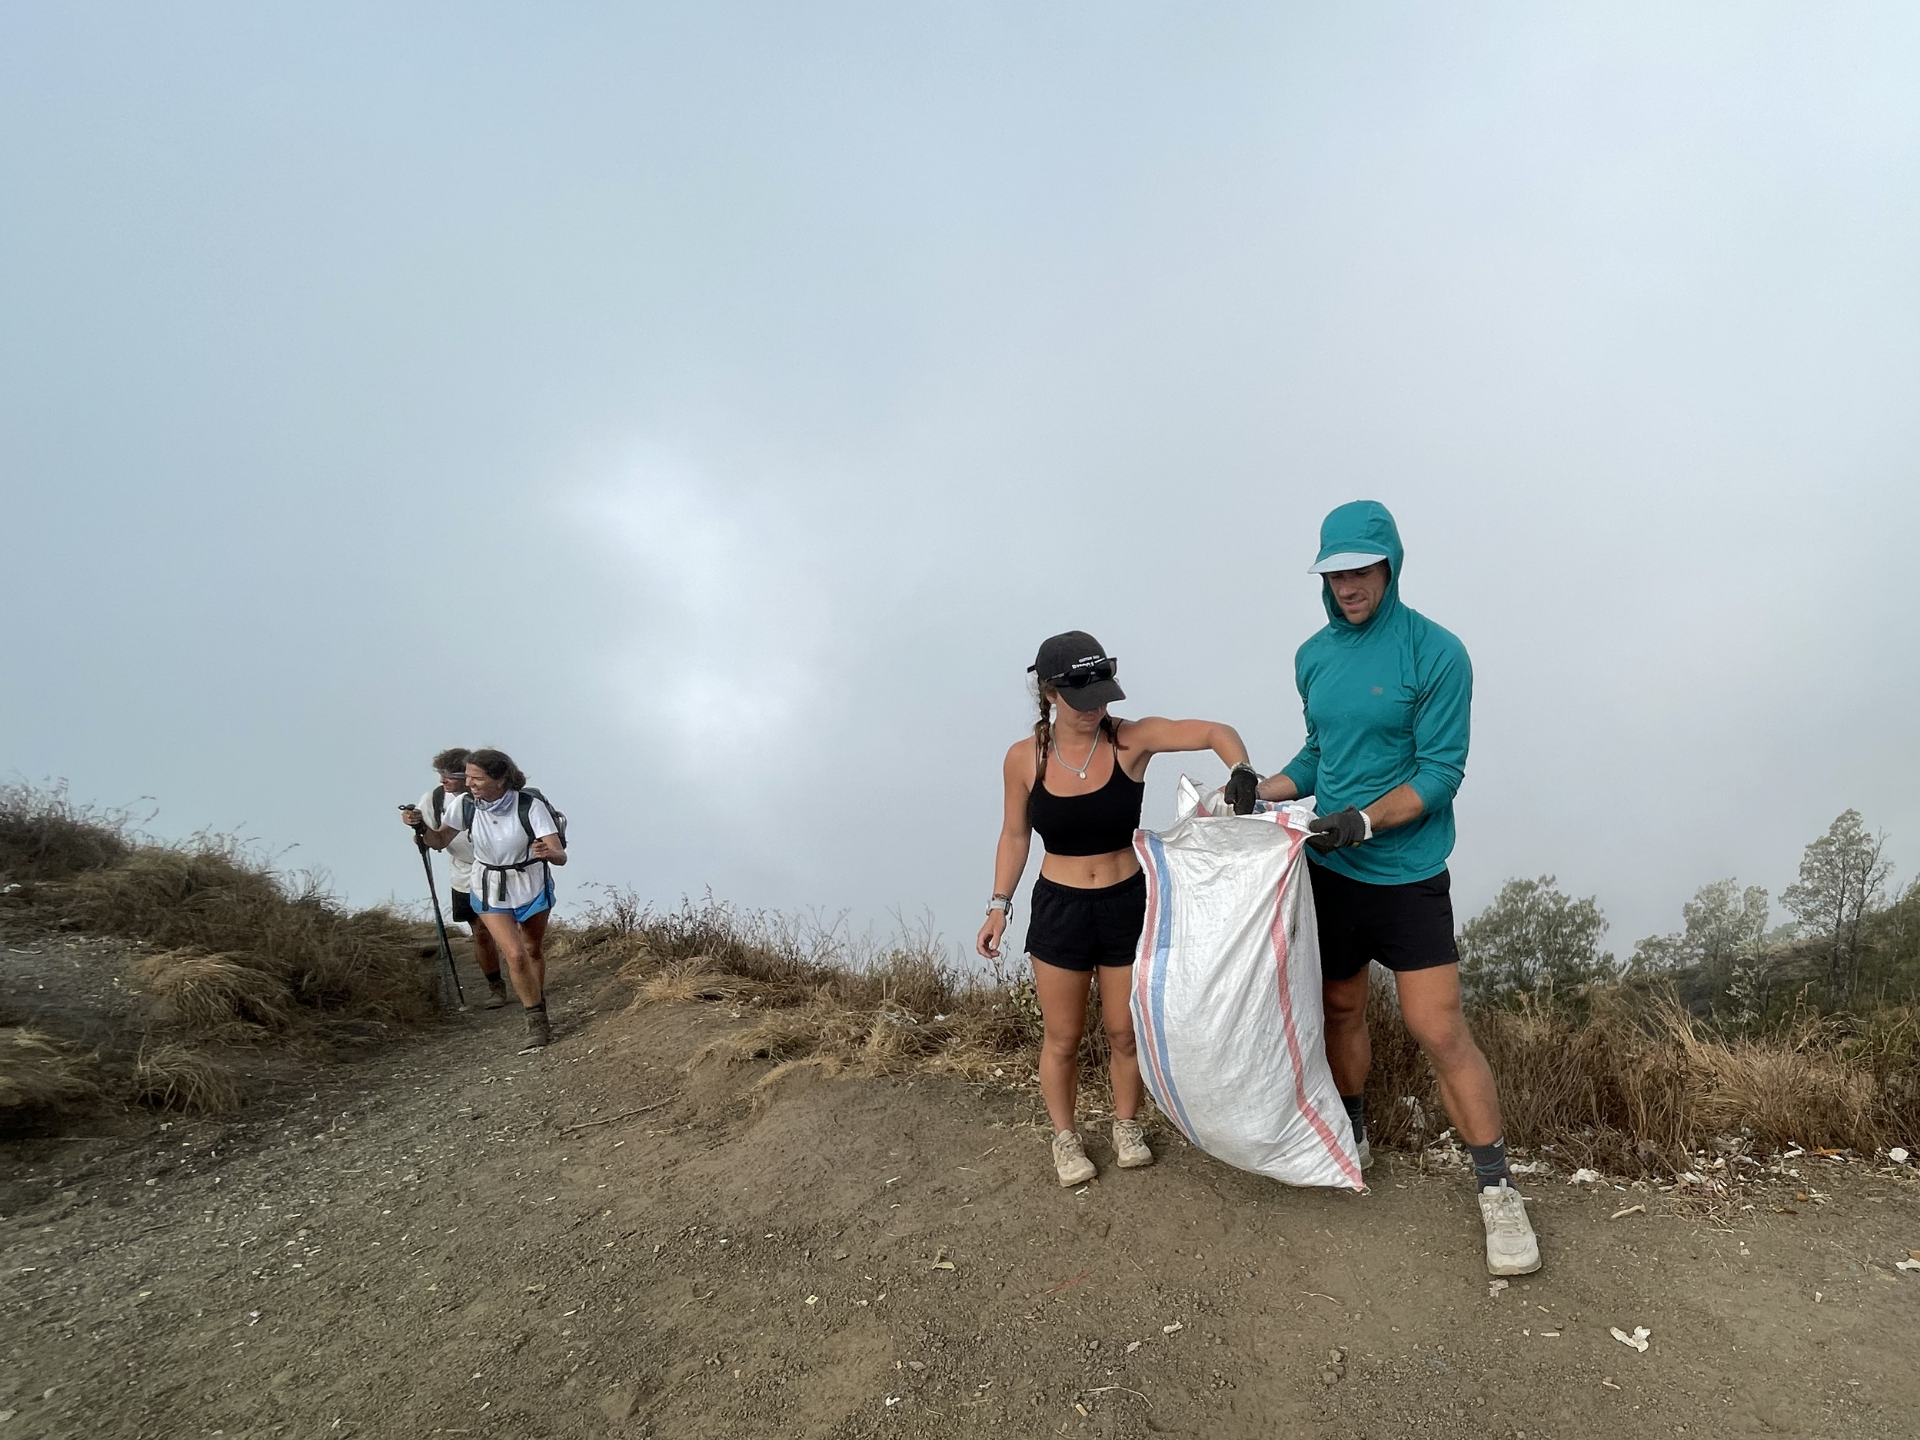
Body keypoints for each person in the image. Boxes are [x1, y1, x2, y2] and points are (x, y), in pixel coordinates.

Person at [1255, 500, 1540, 1276]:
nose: (1348, 586)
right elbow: (1319, 754)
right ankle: (1354, 1132)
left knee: (1437, 1029)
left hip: (1408, 874)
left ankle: (1498, 1191)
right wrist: (1261, 789)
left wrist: (1365, 821)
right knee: (1341, 1007)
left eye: (1361, 571)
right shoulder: (1313, 656)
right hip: (1330, 873)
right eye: (1335, 575)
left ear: (1390, 566)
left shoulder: (1437, 653)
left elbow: (1441, 772)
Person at [977, 631, 1259, 1188]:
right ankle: (1065, 1137)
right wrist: (998, 905)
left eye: (1102, 697)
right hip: (1060, 908)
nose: (1095, 710)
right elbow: (1015, 835)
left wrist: (1242, 770)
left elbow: (1213, 731)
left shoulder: (1131, 740)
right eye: (1081, 700)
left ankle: (1126, 1125)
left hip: (1127, 903)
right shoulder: (1024, 758)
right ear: (1050, 693)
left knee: (1125, 1031)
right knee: (1062, 1036)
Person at [407, 748, 566, 1049]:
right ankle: (536, 1020)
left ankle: (536, 998)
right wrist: (420, 826)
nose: (469, 783)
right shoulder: (465, 804)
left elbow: (560, 855)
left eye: (476, 778)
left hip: (530, 883)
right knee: (515, 954)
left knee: (532, 949)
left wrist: (549, 853)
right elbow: (438, 840)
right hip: (488, 885)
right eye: (467, 777)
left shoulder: (529, 805)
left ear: (500, 779)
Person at [400, 748, 511, 1009]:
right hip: (464, 873)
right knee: (480, 931)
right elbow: (430, 839)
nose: (443, 780)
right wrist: (417, 826)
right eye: (441, 774)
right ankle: (496, 986)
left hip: (504, 870)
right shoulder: (435, 799)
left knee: (513, 927)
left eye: (449, 775)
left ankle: (524, 976)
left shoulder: (496, 797)